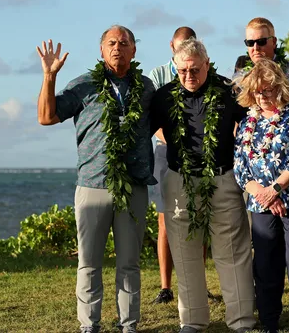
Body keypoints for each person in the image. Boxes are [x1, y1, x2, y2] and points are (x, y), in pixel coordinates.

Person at [36, 25, 156, 333]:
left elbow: (161, 124)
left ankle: (128, 325)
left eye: (124, 43)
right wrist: (49, 76)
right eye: (111, 43)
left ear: (134, 50)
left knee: (129, 263)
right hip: (92, 184)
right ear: (101, 51)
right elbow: (46, 117)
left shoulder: (146, 87)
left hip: (134, 186)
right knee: (89, 263)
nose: (118, 47)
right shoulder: (84, 85)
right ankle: (89, 325)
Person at [150, 38, 255, 333]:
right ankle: (192, 321)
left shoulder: (228, 92)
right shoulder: (163, 97)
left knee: (232, 252)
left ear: (207, 64)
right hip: (178, 179)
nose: (189, 76)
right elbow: (143, 132)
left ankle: (242, 321)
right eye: (182, 71)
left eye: (195, 70)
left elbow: (252, 126)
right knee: (185, 253)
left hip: (223, 178)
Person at [234, 59, 289, 333]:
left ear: (279, 88)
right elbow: (240, 167)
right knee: (266, 265)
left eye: (268, 90)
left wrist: (276, 189)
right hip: (261, 205)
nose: (262, 96)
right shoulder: (248, 121)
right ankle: (269, 321)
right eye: (258, 91)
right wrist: (263, 194)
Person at [147, 26, 197, 305]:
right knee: (165, 218)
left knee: (198, 215)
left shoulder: (201, 68)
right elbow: (153, 122)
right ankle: (165, 287)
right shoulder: (157, 75)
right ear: (171, 46)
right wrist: (176, 142)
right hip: (166, 151)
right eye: (179, 47)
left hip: (198, 153)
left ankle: (197, 282)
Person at [240, 17, 289, 129]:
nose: (256, 47)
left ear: (273, 42)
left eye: (261, 42)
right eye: (250, 42)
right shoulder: (244, 78)